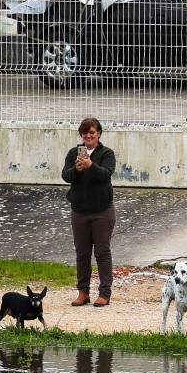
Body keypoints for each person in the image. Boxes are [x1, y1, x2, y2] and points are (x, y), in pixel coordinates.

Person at [62, 116, 116, 307]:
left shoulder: (107, 153)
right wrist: (77, 169)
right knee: (82, 253)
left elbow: (106, 175)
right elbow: (65, 176)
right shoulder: (73, 153)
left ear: (99, 134)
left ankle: (105, 293)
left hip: (102, 211)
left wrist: (90, 166)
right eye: (85, 133)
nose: (88, 136)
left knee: (102, 252)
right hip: (79, 211)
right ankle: (83, 292)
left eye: (92, 132)